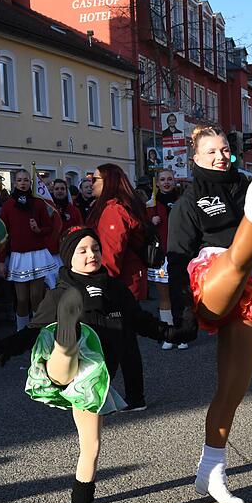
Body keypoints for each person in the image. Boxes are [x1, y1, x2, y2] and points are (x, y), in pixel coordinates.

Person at [0, 226, 193, 503]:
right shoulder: (59, 292)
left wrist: (176, 333)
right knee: (66, 351)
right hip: (63, 374)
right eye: (82, 250)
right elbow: (32, 331)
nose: (91, 255)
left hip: (95, 380)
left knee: (92, 446)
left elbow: (143, 323)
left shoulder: (116, 290)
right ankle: (66, 339)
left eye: (95, 249)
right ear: (69, 257)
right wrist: (3, 348)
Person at [167, 127, 252, 503]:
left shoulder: (243, 183)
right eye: (211, 151)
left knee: (233, 388)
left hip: (247, 286)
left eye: (225, 150)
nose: (220, 156)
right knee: (233, 257)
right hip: (209, 280)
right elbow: (176, 258)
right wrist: (182, 317)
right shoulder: (188, 201)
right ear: (195, 158)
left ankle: (211, 471)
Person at [89, 163, 149, 411]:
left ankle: (112, 398)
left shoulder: (113, 211)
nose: (91, 182)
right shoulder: (113, 207)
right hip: (123, 284)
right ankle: (131, 397)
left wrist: (100, 288)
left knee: (116, 343)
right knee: (121, 343)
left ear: (109, 182)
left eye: (95, 178)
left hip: (119, 286)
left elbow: (112, 255)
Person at [0, 170, 56, 331]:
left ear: (30, 183)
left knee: (36, 297)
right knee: (22, 299)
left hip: (37, 254)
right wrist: (0, 261)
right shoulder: (8, 205)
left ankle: (38, 332)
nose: (23, 183)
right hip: (18, 257)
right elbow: (2, 235)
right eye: (19, 180)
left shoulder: (38, 203)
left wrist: (38, 229)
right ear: (15, 183)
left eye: (26, 180)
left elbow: (49, 228)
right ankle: (21, 332)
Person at [147, 169, 184, 350]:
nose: (166, 182)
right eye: (163, 180)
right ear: (158, 183)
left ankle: (182, 332)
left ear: (174, 181)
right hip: (160, 256)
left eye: (170, 179)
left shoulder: (183, 202)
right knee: (164, 296)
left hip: (180, 253)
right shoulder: (150, 205)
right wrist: (149, 223)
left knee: (180, 294)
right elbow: (140, 232)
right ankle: (169, 334)